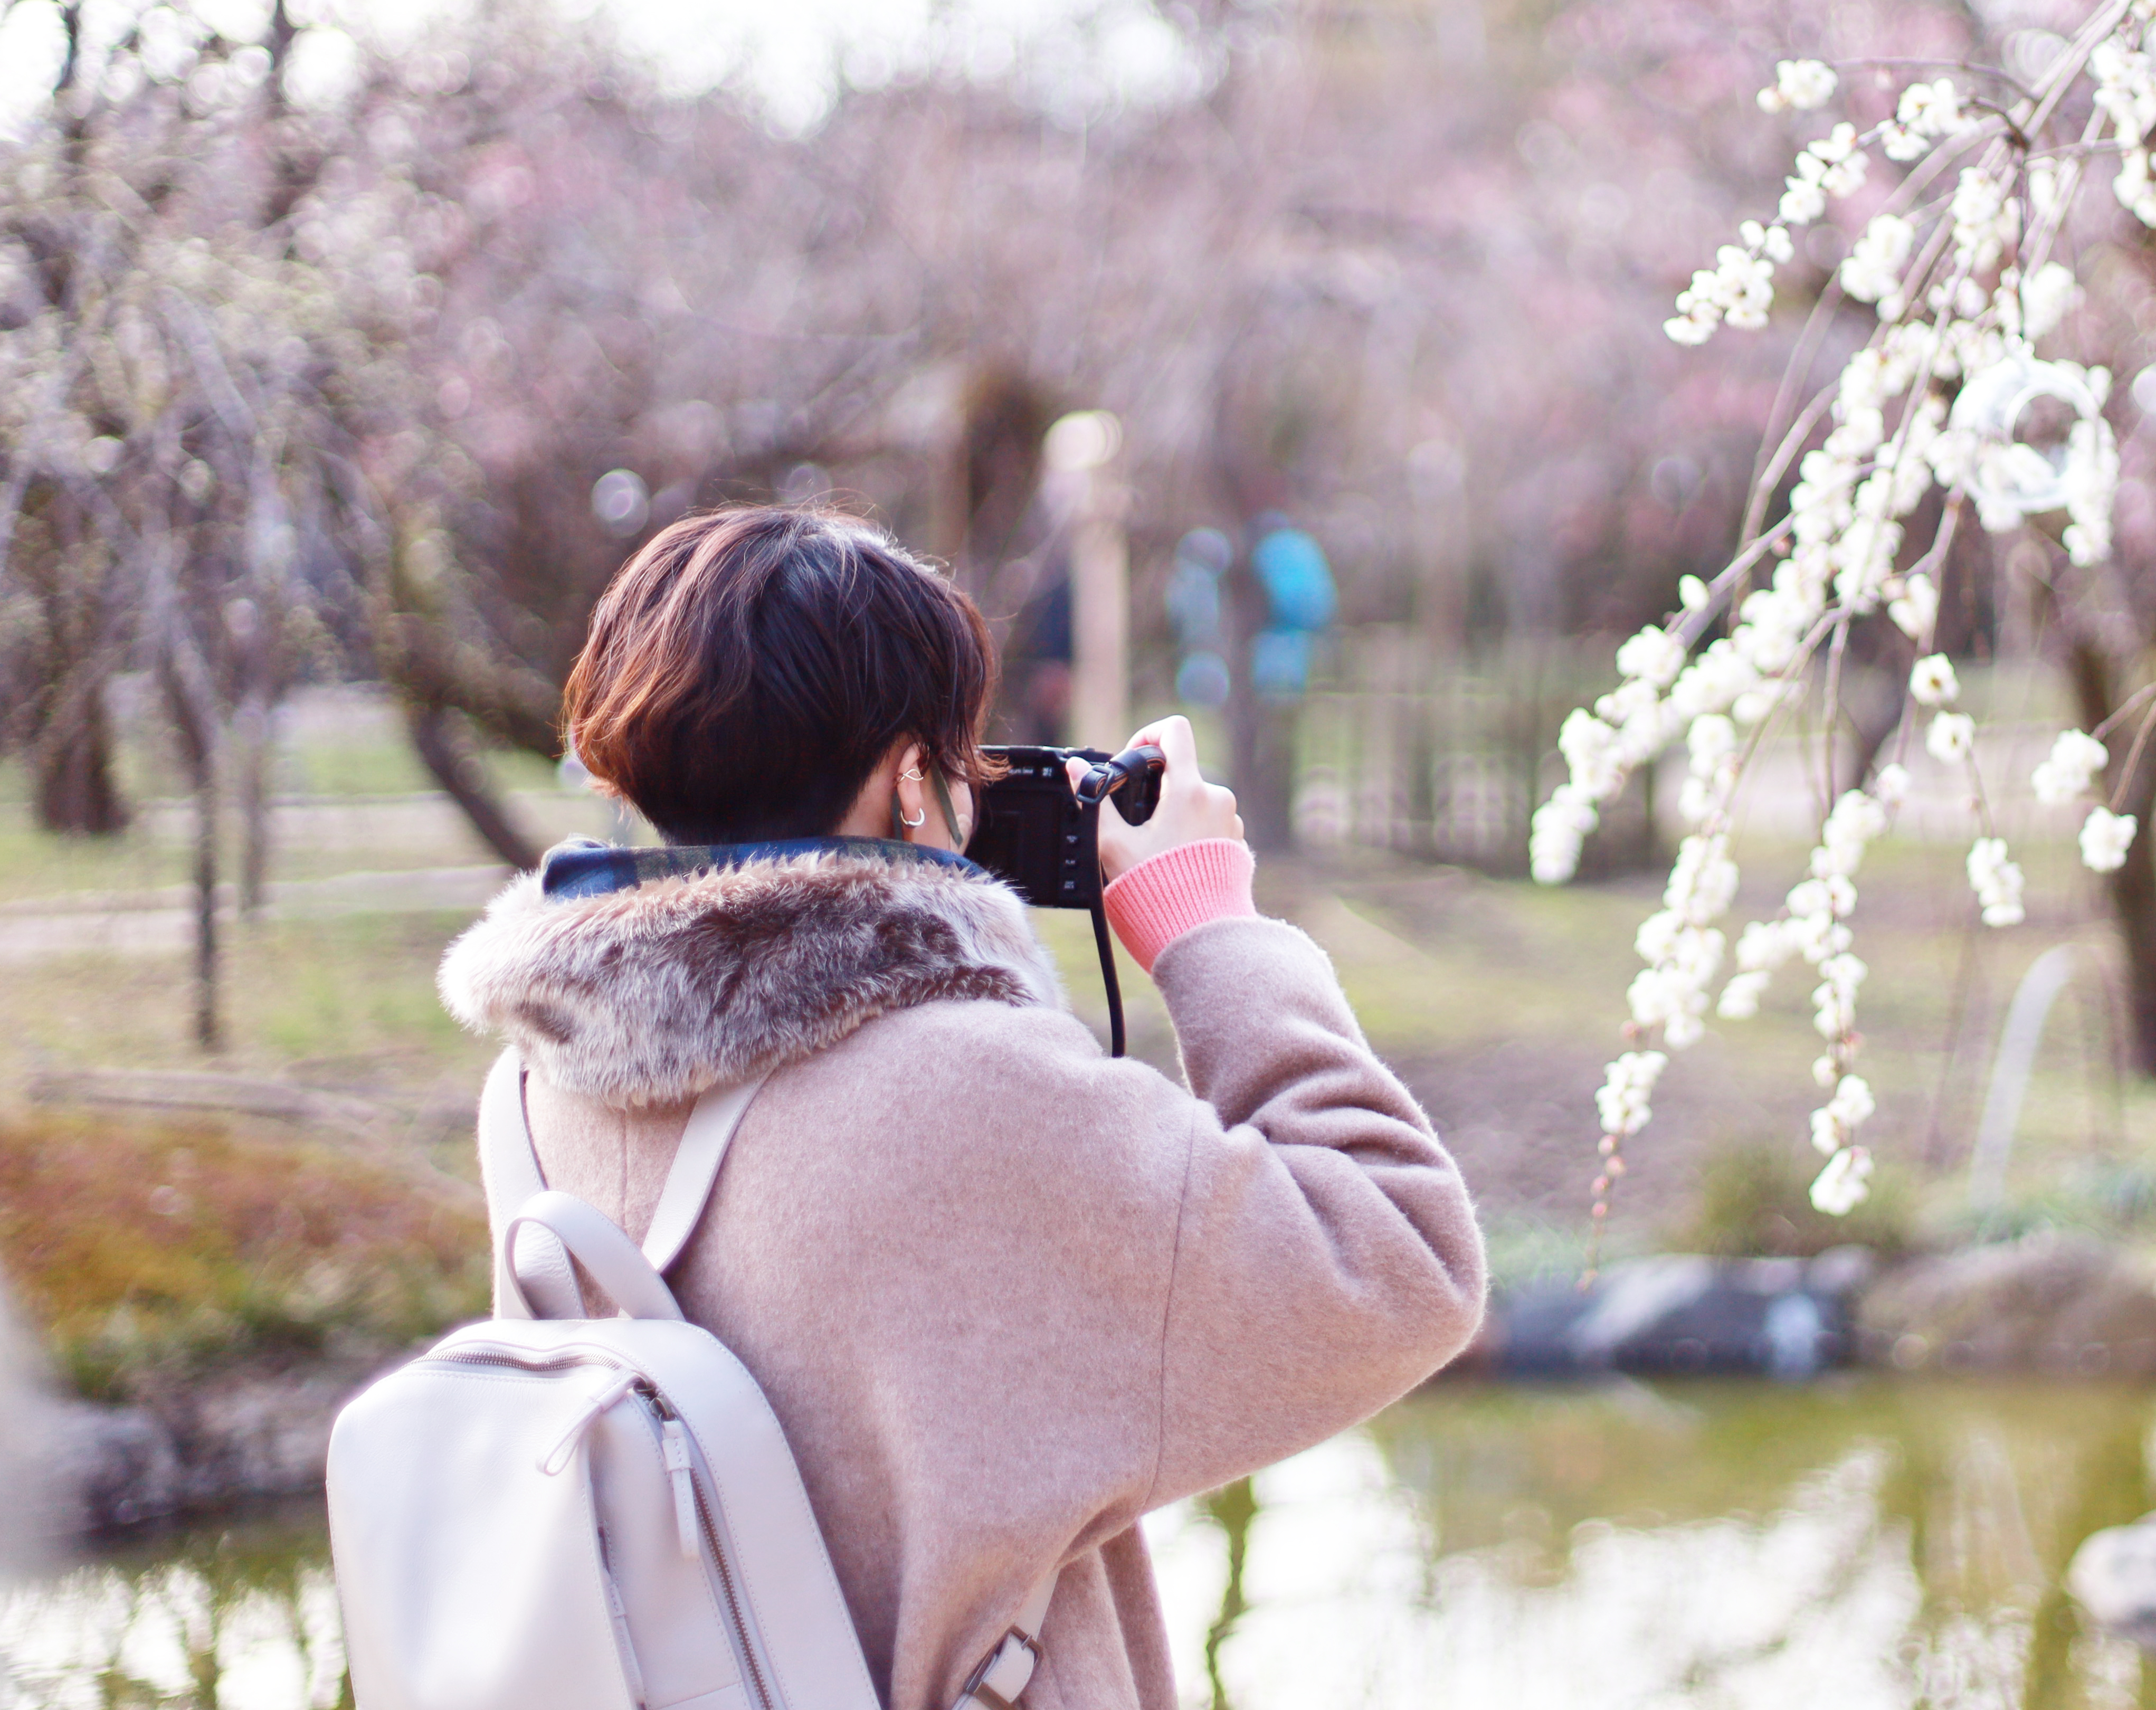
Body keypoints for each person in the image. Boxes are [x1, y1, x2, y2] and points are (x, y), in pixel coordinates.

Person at [436, 504, 1485, 1709]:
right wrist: (1208, 924)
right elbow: (1402, 1253)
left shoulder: (533, 1090)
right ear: (910, 780)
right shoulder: (971, 1092)